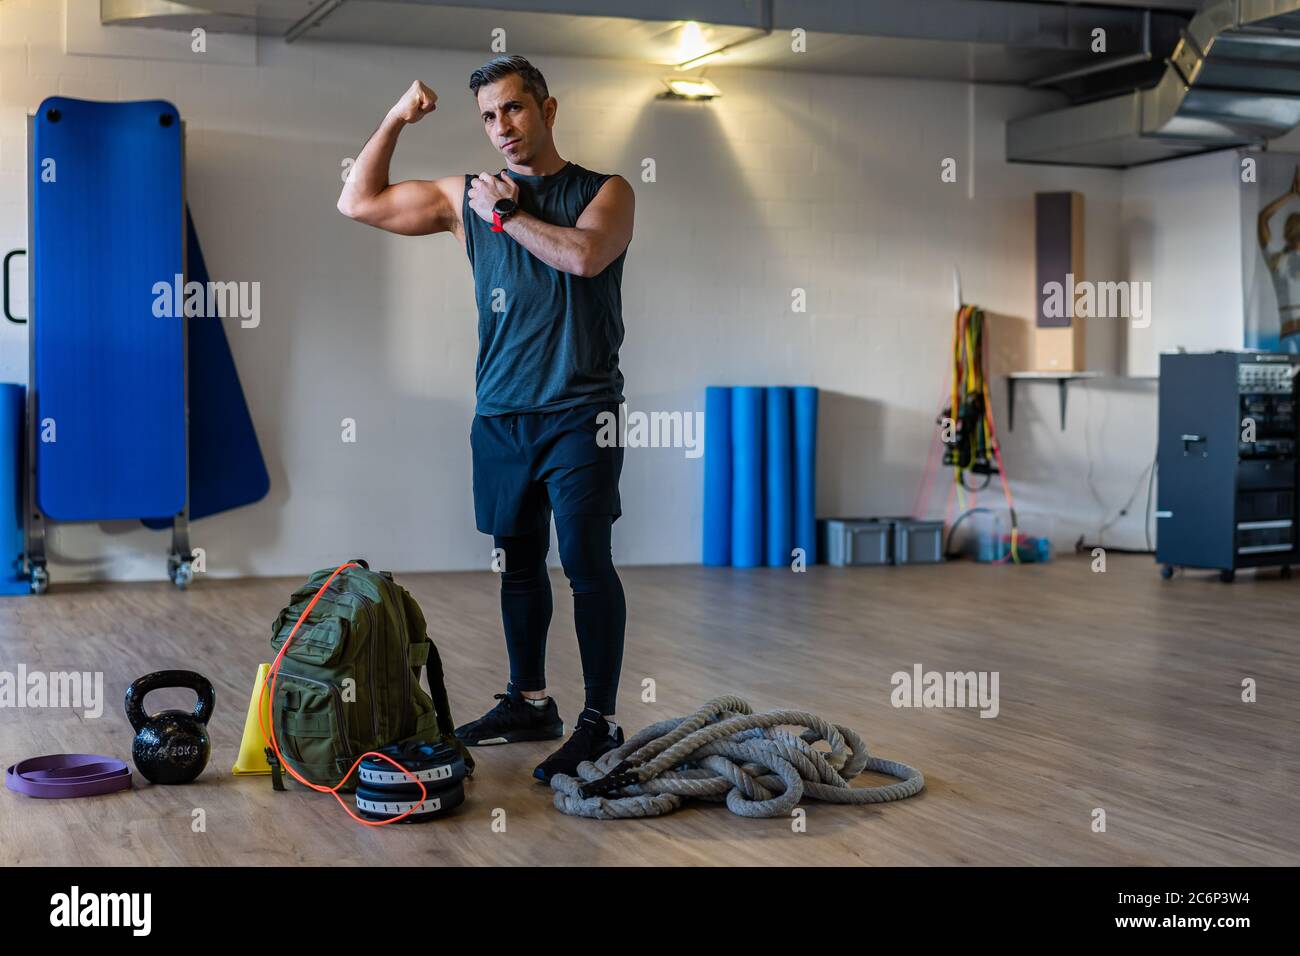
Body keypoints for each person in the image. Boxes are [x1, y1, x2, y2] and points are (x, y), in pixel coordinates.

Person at [337, 55, 635, 782]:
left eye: (514, 109)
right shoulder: (461, 197)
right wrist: (395, 120)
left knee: (587, 563)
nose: (501, 127)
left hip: (580, 411)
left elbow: (586, 257)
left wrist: (508, 214)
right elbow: (358, 201)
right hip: (502, 413)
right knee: (518, 562)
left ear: (547, 109)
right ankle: (530, 700)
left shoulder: (606, 191)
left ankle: (600, 721)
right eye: (489, 116)